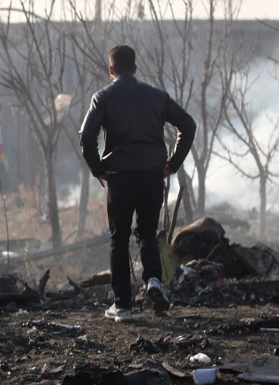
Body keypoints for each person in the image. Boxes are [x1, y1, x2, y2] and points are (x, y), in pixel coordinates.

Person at [79, 44, 196, 323]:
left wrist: (97, 168)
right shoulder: (157, 96)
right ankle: (153, 280)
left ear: (111, 70)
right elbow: (188, 125)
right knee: (147, 232)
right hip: (153, 176)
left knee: (119, 238)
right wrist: (172, 163)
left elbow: (86, 136)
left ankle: (122, 306)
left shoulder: (103, 98)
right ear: (135, 67)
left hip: (119, 177)